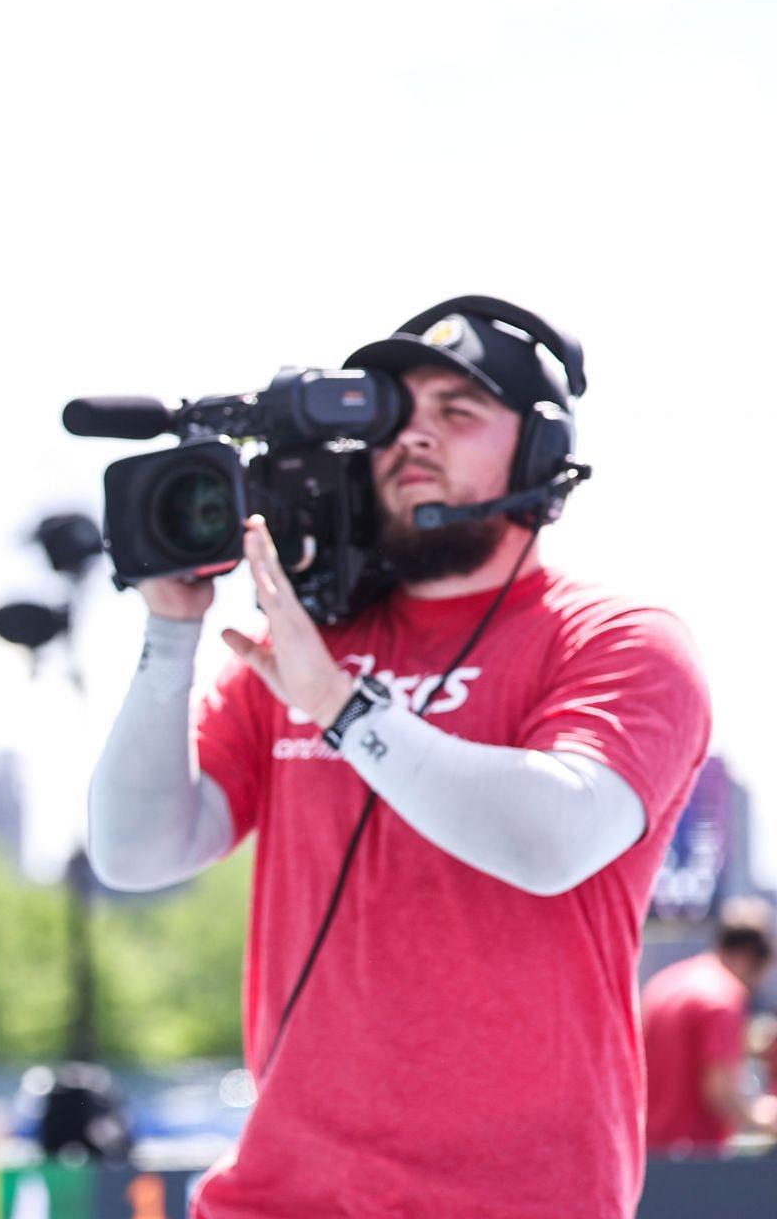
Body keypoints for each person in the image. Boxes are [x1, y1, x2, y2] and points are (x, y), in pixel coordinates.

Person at [86, 297, 710, 1217]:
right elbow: (136, 852)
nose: (415, 438)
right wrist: (170, 636)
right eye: (395, 416)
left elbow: (552, 840)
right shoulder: (303, 644)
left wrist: (341, 707)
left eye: (458, 413)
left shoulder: (617, 640)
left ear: (539, 456)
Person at [642, 896, 777, 1154]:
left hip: (649, 1156)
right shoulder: (723, 997)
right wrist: (763, 1116)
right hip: (697, 1162)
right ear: (748, 957)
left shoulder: (663, 983)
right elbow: (719, 1091)